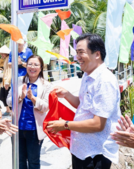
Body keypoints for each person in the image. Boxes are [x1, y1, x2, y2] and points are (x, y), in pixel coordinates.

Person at [47, 33, 120, 169]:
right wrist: (67, 95)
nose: (77, 57)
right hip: (81, 149)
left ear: (97, 54)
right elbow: (84, 106)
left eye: (81, 53)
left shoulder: (105, 81)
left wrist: (65, 125)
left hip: (95, 154)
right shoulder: (87, 75)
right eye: (76, 53)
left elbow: (98, 124)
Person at [7, 55, 53, 169]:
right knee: (20, 161)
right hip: (17, 129)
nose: (32, 67)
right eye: (30, 64)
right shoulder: (18, 81)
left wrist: (33, 98)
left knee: (33, 162)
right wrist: (20, 97)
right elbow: (8, 101)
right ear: (26, 65)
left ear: (41, 68)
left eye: (36, 64)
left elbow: (46, 107)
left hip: (34, 130)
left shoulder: (46, 85)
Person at [0, 45, 12, 116]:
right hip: (4, 80)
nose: (1, 55)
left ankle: (10, 111)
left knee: (6, 96)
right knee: (2, 96)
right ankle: (8, 110)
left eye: (3, 53)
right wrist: (2, 58)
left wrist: (7, 82)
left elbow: (10, 70)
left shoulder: (9, 59)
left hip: (7, 81)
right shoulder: (6, 59)